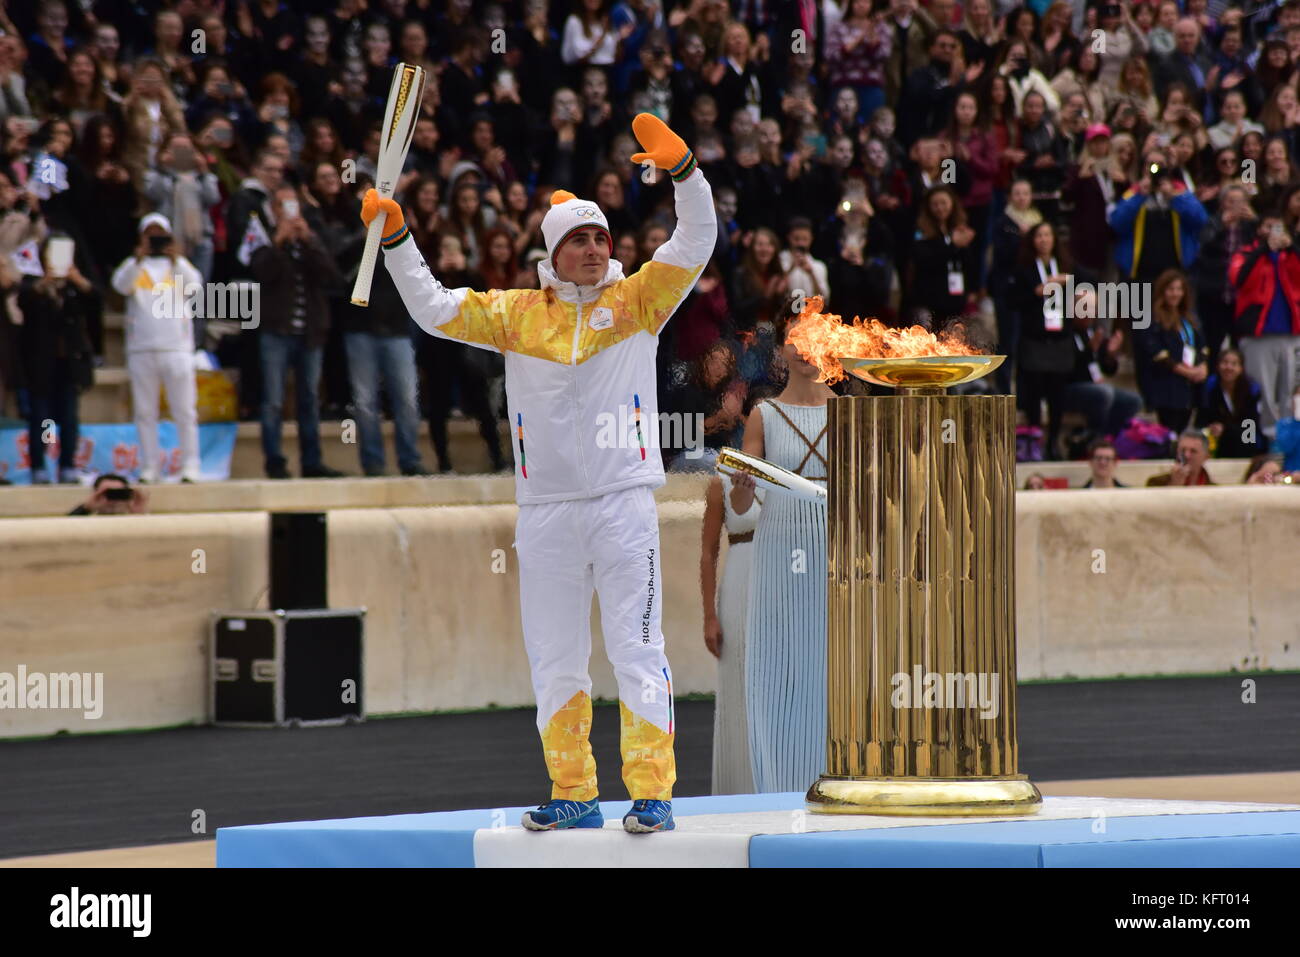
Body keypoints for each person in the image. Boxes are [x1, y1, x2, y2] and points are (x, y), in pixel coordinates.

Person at [368, 112, 714, 834]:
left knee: (636, 649)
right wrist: (398, 239)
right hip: (548, 509)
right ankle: (574, 790)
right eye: (579, 239)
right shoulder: (516, 314)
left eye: (601, 238)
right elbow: (432, 310)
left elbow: (698, 238)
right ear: (554, 252)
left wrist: (684, 171)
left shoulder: (639, 302)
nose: (593, 248)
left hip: (624, 503)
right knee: (557, 659)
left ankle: (651, 792)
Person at [729, 315, 833, 794]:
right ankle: (778, 783)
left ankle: (829, 774)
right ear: (784, 355)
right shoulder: (763, 415)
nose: (808, 355)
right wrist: (744, 488)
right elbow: (741, 503)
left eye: (817, 346)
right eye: (799, 347)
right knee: (778, 657)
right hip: (780, 541)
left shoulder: (846, 412)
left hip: (831, 543)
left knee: (827, 659)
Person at [249, 185, 346, 479]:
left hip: (310, 334)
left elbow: (332, 278)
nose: (290, 213)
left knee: (309, 401)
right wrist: (279, 242)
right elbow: (260, 274)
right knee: (274, 401)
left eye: (294, 206)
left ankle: (312, 462)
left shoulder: (311, 240)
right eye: (283, 206)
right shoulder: (264, 239)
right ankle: (275, 463)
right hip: (276, 332)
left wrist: (310, 242)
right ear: (275, 211)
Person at [109, 214, 202, 484]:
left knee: (185, 410)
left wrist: (176, 259)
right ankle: (150, 467)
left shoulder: (180, 266)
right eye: (150, 234)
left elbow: (195, 286)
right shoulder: (133, 266)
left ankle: (190, 464)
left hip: (177, 348)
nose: (155, 239)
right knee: (145, 412)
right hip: (142, 349)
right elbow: (120, 285)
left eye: (160, 234)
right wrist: (138, 258)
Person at [699, 469, 762, 795]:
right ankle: (741, 789)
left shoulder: (797, 477)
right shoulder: (720, 482)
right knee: (739, 687)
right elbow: (709, 553)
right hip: (739, 589)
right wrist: (710, 615)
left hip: (788, 586)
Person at [17, 237, 98, 484]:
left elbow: (96, 303)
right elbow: (24, 302)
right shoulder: (34, 285)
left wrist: (77, 280)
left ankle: (67, 466)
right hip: (41, 366)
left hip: (69, 365)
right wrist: (46, 283)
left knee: (70, 418)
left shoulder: (74, 288)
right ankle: (40, 466)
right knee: (43, 420)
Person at [1228, 212, 1300, 442]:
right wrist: (1263, 251)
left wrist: (1292, 248)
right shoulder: (1247, 253)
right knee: (1264, 393)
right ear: (1260, 230)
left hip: (1291, 334)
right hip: (1259, 335)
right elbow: (1238, 279)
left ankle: (1289, 440)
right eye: (1269, 226)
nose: (1274, 232)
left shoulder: (1290, 256)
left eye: (1278, 227)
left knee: (1290, 392)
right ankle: (1265, 440)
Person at [1134, 268, 1208, 433]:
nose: (1175, 294)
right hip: (1166, 385)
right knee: (1168, 431)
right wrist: (1184, 371)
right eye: (1171, 289)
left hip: (1190, 385)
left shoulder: (1190, 318)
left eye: (1179, 289)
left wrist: (1203, 367)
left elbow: (1202, 346)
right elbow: (1156, 352)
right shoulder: (1151, 318)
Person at [1198, 348, 1267, 459]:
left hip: (1246, 440)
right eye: (1225, 362)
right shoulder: (1210, 387)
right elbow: (1204, 417)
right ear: (1218, 365)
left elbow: (1250, 427)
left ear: (1241, 368)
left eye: (1234, 364)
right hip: (1218, 442)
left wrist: (1226, 429)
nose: (1229, 367)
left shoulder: (1251, 389)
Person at [1147, 428, 1216, 485]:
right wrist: (1174, 484)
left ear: (1206, 457)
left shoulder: (1215, 490)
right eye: (1183, 450)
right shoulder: (1156, 483)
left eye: (1193, 451)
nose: (1187, 455)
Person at [67, 473, 149, 515]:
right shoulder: (85, 524)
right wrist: (86, 508)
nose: (113, 501)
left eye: (119, 493)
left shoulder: (135, 523)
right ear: (95, 495)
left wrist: (139, 514)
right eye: (108, 493)